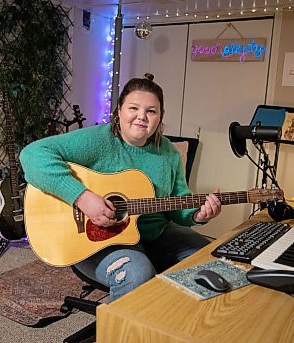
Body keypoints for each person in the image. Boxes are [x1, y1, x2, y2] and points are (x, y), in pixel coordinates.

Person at [20, 73, 222, 301]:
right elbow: (32, 154)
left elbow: (178, 202)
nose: (141, 117)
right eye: (133, 108)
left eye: (151, 111)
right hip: (98, 239)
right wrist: (83, 198)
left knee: (209, 259)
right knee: (135, 274)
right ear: (119, 110)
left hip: (155, 234)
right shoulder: (99, 140)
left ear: (160, 117)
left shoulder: (169, 152)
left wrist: (198, 214)